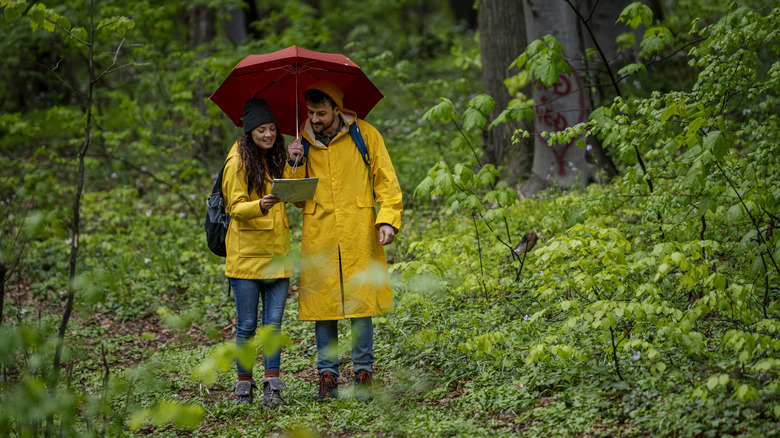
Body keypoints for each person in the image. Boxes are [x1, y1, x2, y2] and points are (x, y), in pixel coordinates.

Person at [287, 80, 403, 402]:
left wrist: (388, 219)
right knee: (323, 305)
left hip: (358, 227)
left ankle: (363, 373)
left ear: (338, 110)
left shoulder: (364, 134)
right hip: (320, 231)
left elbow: (386, 180)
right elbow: (296, 199)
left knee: (360, 300)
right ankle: (328, 376)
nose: (315, 119)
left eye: (321, 113)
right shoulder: (303, 141)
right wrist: (292, 162)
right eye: (310, 112)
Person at [222, 98, 294, 407]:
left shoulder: (277, 155)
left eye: (273, 129)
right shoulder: (237, 160)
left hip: (278, 255)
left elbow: (292, 191)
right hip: (247, 258)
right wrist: (259, 205)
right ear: (249, 132)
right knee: (248, 326)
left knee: (273, 327)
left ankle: (272, 387)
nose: (268, 135)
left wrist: (294, 161)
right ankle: (243, 389)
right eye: (262, 130)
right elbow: (234, 207)